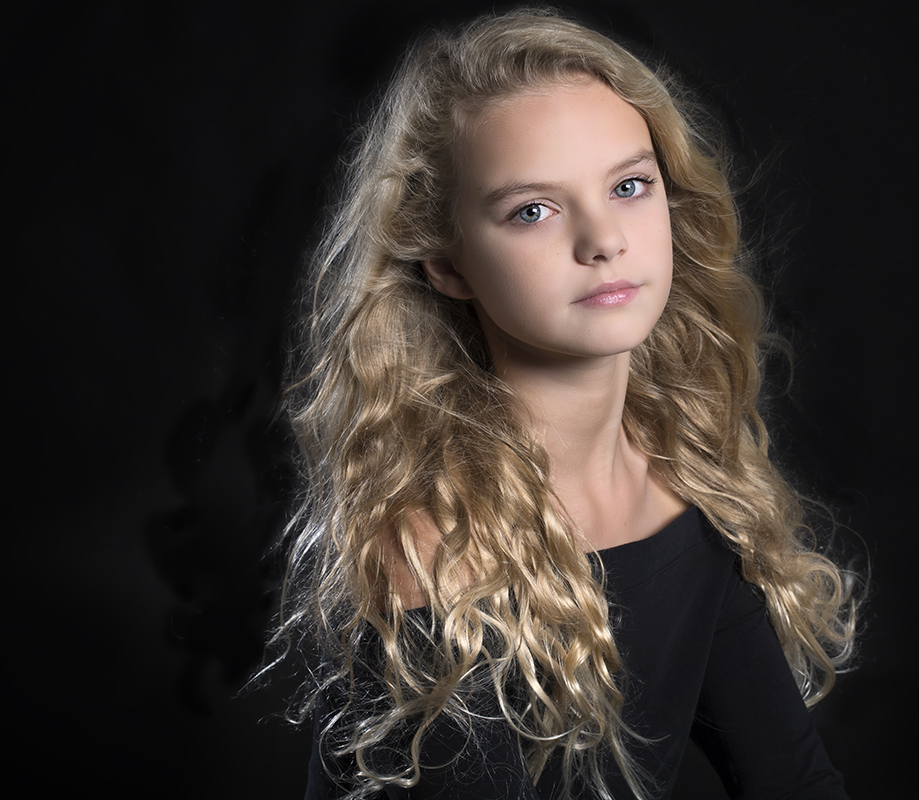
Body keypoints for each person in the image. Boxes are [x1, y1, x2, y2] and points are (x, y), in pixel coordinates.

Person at [264, 8, 860, 799]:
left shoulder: (683, 484)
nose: (603, 238)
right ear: (446, 264)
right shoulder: (438, 551)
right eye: (532, 211)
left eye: (629, 185)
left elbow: (792, 781)